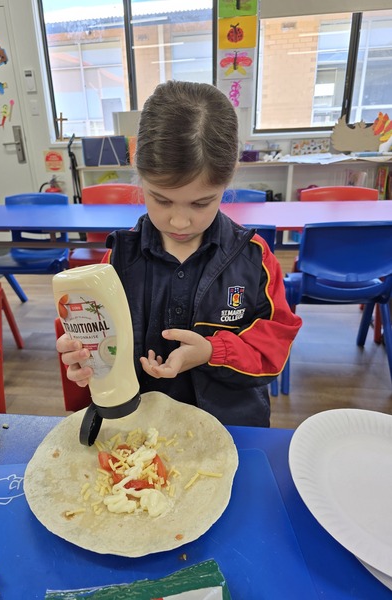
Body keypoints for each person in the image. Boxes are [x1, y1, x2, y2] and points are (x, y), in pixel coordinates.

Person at [56, 80, 302, 427]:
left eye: (201, 202)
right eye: (161, 199)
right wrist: (87, 361)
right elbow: (97, 353)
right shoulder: (117, 262)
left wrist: (212, 351)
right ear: (138, 171)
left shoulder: (254, 259)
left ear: (229, 177)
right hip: (140, 432)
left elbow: (274, 349)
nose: (180, 220)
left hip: (231, 427)